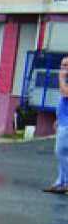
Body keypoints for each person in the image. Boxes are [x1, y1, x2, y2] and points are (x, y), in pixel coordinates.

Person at [45, 55, 68, 193]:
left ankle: (66, 181)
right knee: (63, 153)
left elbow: (65, 94)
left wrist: (61, 77)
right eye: (62, 65)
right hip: (63, 122)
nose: (63, 68)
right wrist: (58, 119)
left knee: (60, 152)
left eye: (66, 66)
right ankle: (60, 182)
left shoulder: (65, 82)